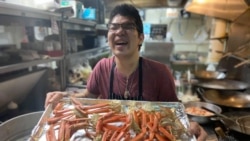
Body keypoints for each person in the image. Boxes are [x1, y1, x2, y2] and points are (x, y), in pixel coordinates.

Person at [45, 4, 207, 141]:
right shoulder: (102, 67)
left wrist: (190, 123)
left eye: (128, 26)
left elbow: (174, 111)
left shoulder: (159, 73)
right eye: (113, 27)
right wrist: (64, 97)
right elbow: (88, 97)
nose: (119, 32)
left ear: (141, 38)